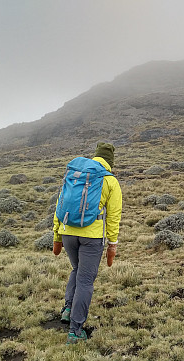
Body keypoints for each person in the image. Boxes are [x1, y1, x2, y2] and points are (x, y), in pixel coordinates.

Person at [53, 142, 122, 345]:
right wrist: (112, 244)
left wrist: (57, 235)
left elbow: (60, 204)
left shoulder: (75, 174)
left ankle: (68, 309)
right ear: (110, 161)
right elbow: (114, 216)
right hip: (91, 237)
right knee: (85, 280)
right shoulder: (110, 181)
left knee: (76, 269)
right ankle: (75, 330)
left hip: (67, 232)